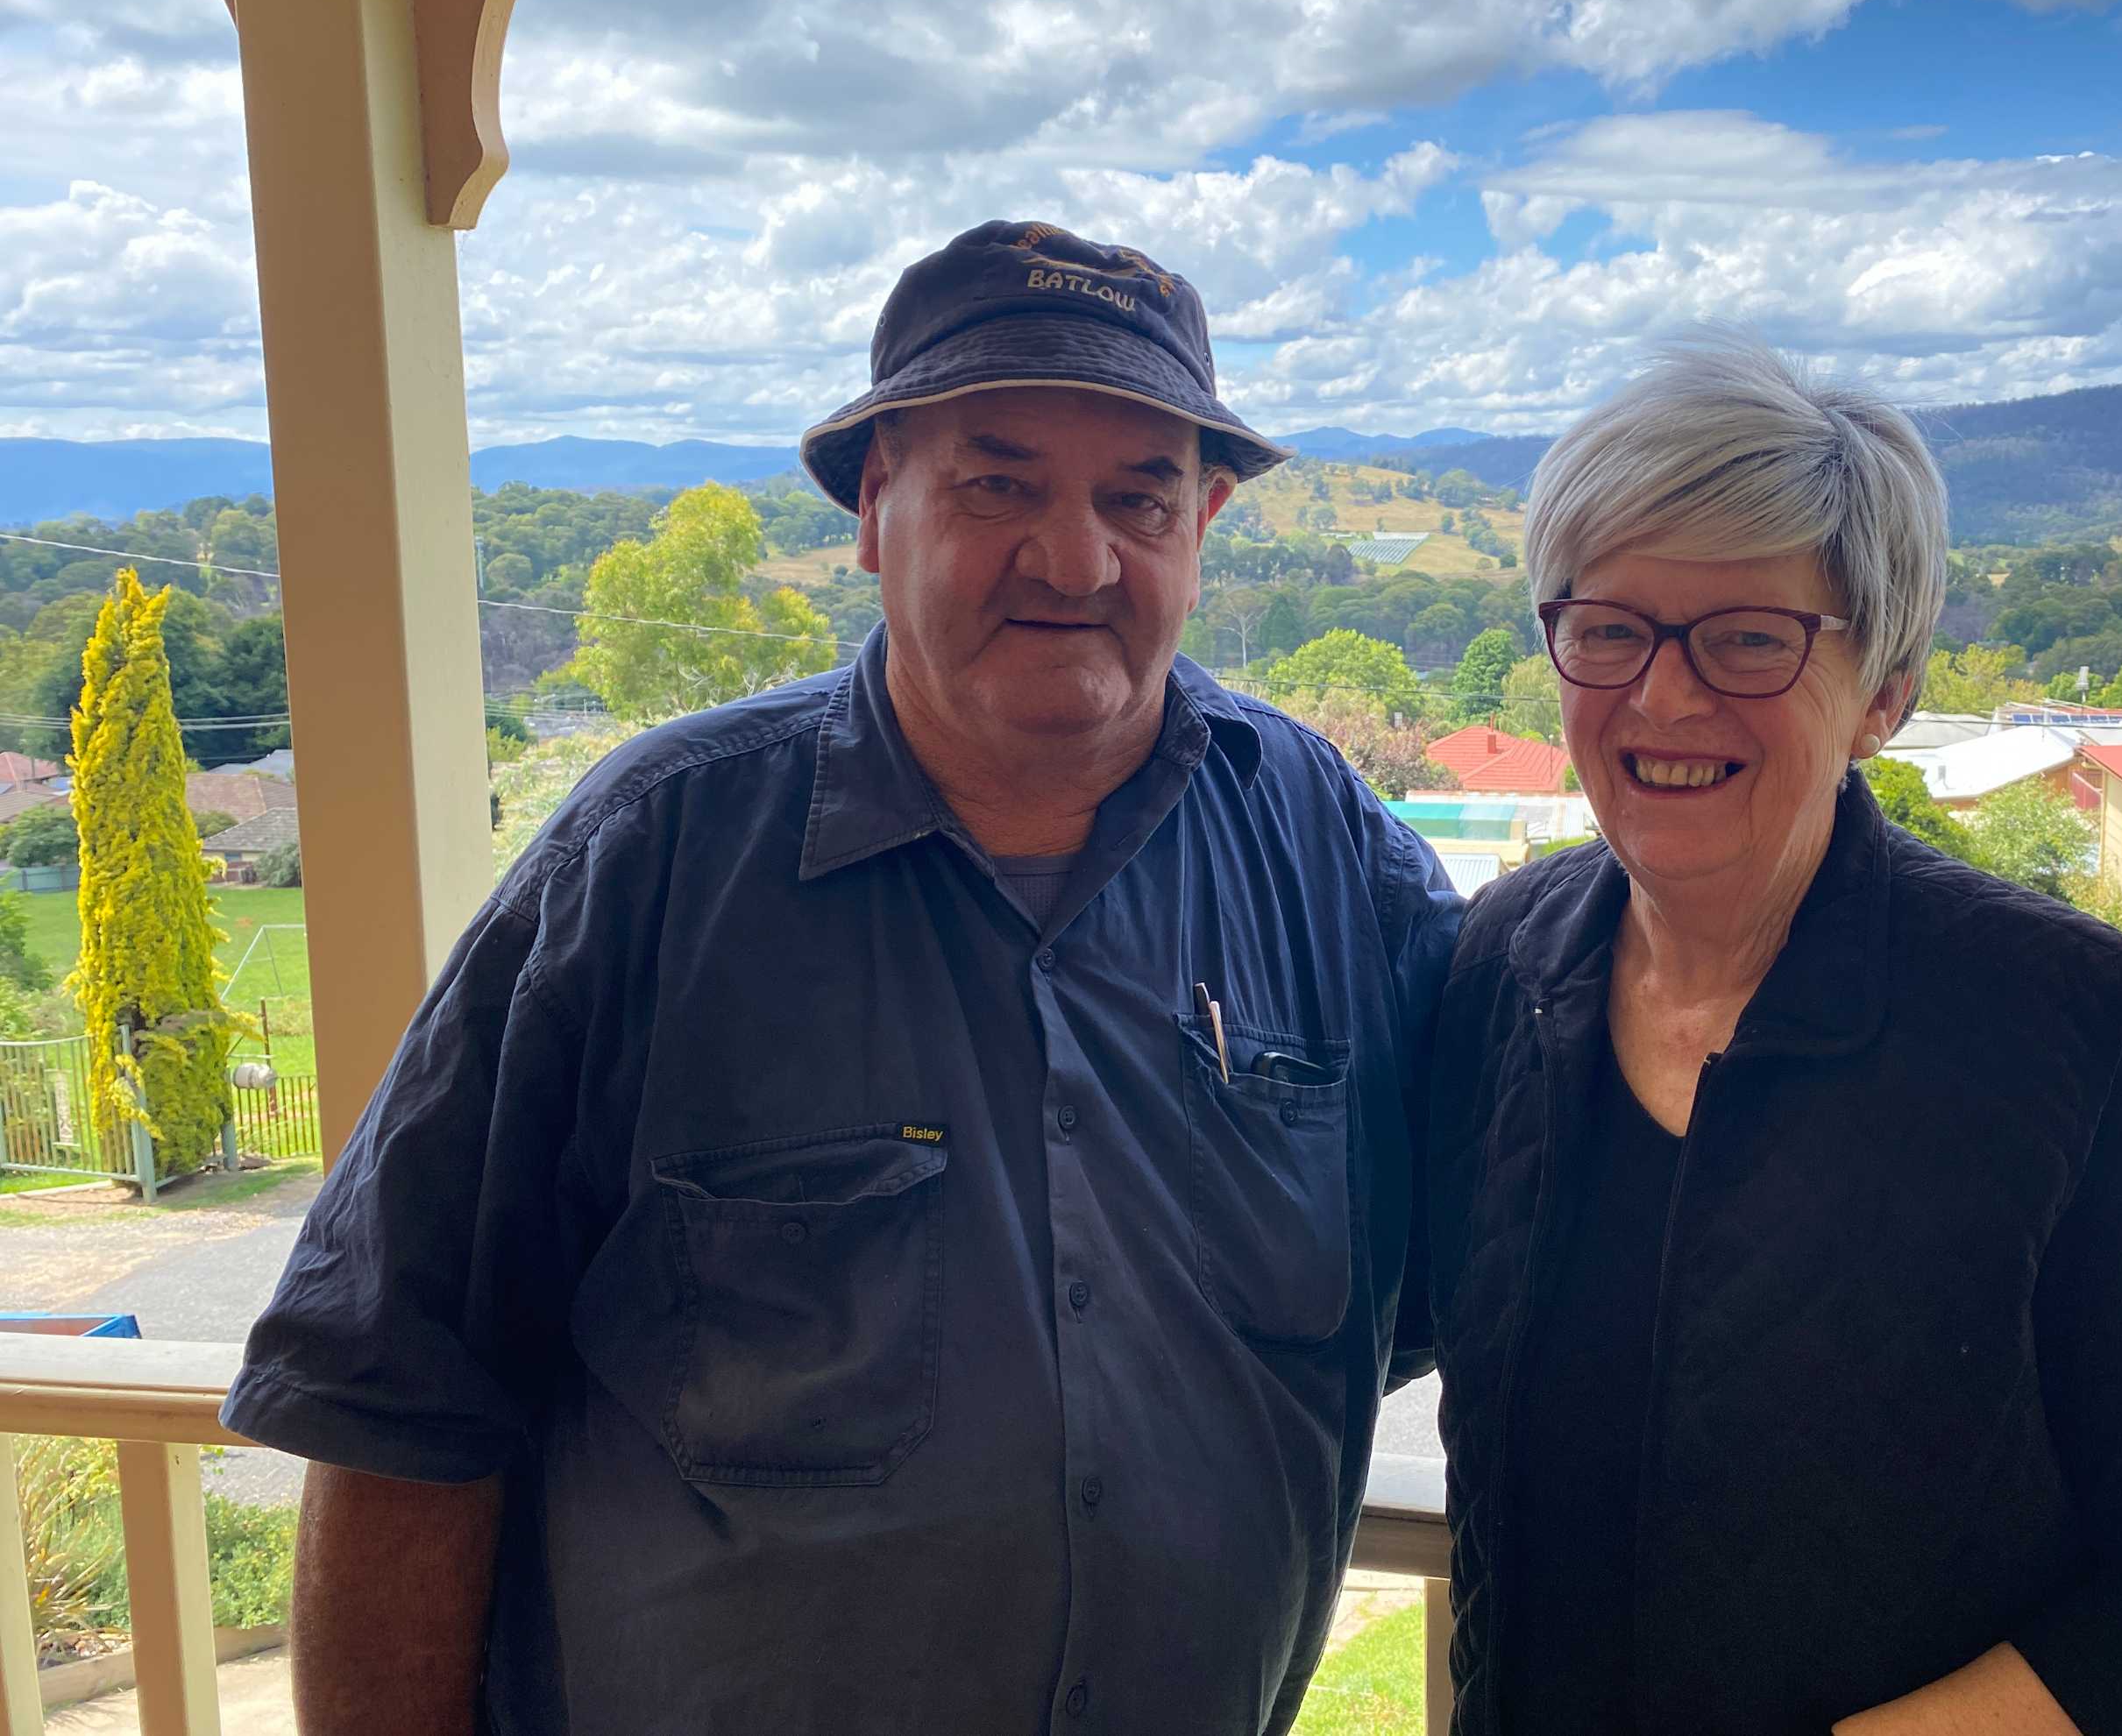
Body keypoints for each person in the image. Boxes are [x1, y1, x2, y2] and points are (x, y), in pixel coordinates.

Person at [224, 221, 1460, 1736]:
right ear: (875, 507)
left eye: (1138, 497)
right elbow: (394, 1401)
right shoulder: (647, 867)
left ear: (1202, 523)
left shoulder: (1331, 853)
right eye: (999, 482)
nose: (1076, 558)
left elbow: (1523, 1201)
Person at [1421, 333, 2122, 1735]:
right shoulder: (1503, 964)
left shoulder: (2054, 1030)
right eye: (1610, 628)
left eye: (1749, 638)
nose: (1663, 695)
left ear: (1883, 692)